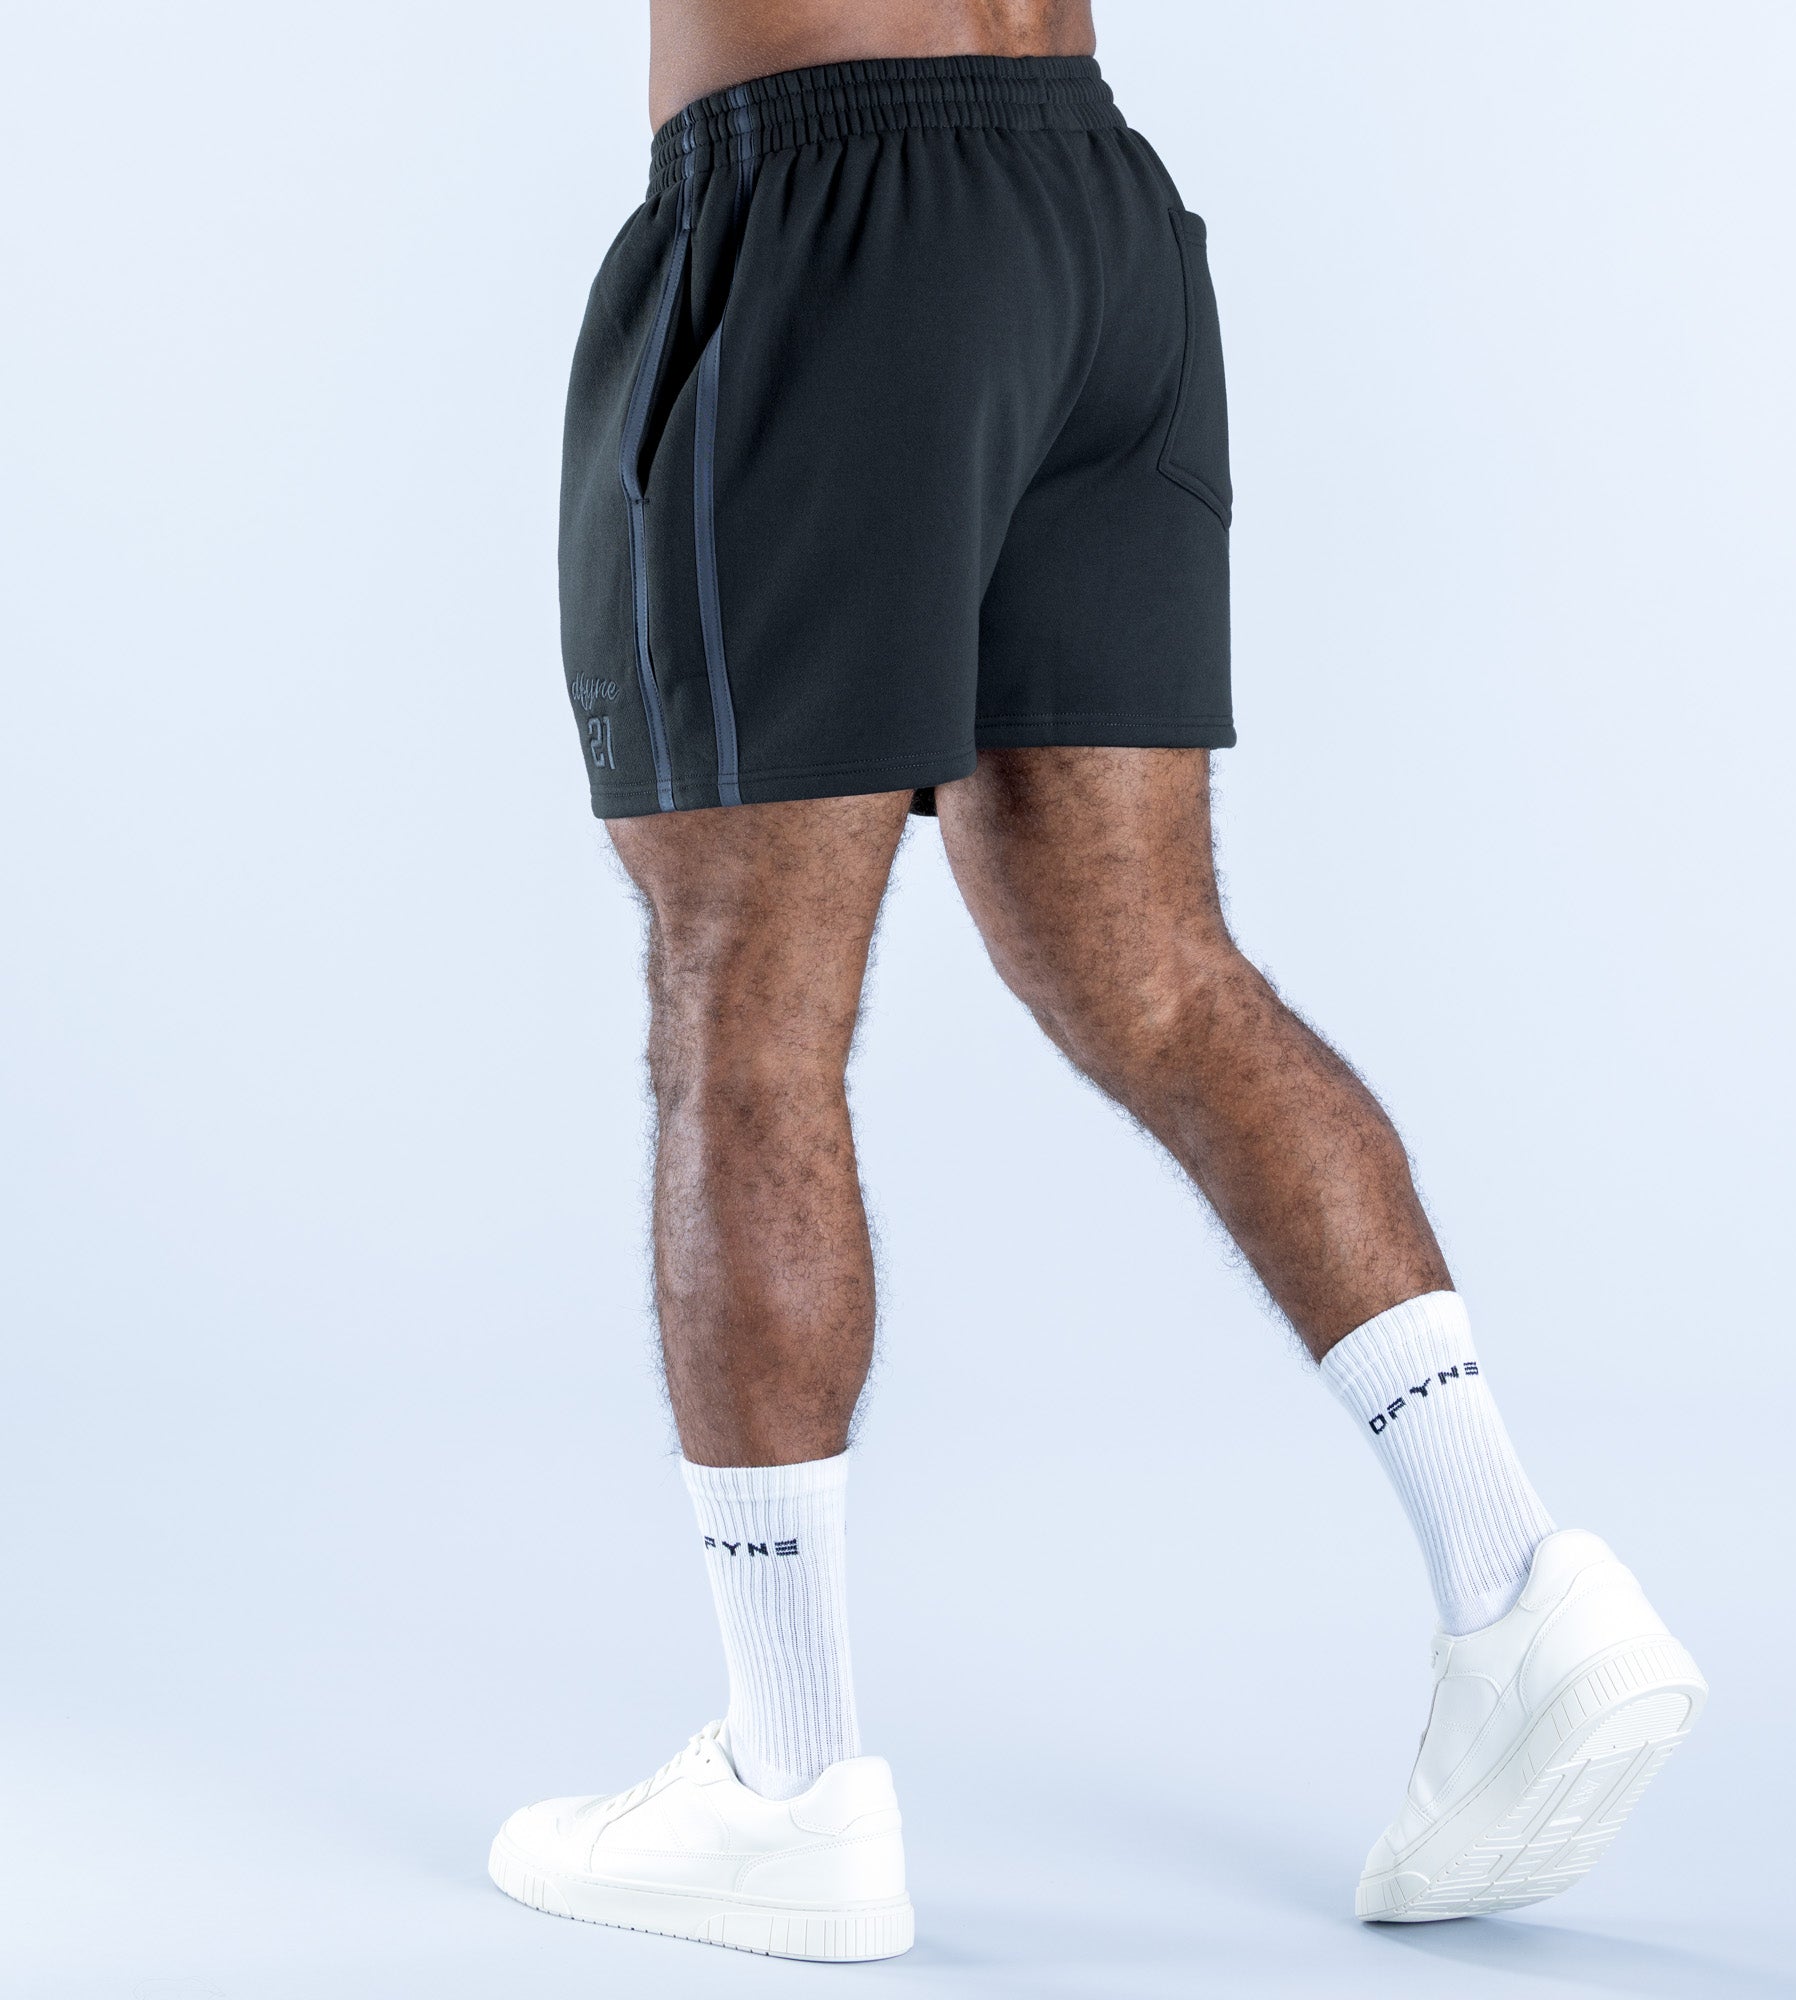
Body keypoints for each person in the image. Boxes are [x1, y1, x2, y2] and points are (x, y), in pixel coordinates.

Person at [488, 0, 1705, 1961]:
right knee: (1149, 966)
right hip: (1087, 207)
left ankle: (787, 1788)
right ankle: (1520, 1591)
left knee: (742, 1000)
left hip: (823, 214)